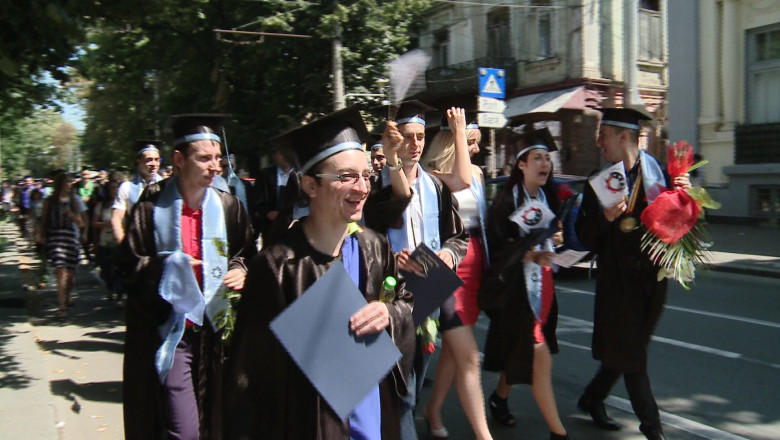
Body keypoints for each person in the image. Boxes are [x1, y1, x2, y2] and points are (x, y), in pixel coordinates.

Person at [224, 106, 416, 439]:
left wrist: (389, 313)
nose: (362, 187)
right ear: (310, 185)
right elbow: (249, 376)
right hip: (309, 420)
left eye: (366, 175)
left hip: (372, 412)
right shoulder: (278, 266)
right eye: (346, 176)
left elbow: (404, 300)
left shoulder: (375, 247)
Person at [119, 114, 254, 440]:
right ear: (179, 160)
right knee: (185, 432)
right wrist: (167, 267)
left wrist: (240, 269)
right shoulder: (151, 209)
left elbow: (246, 252)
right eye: (204, 158)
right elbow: (128, 267)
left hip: (218, 335)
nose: (215, 166)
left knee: (218, 425)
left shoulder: (229, 207)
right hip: (174, 334)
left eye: (217, 158)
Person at [575, 107, 690, 440]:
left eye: (604, 135)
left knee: (628, 350)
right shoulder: (599, 182)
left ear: (623, 136)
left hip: (653, 280)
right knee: (633, 356)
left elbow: (679, 224)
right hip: (617, 283)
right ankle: (653, 429)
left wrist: (684, 194)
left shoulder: (659, 175)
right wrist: (605, 218)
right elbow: (584, 236)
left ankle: (592, 398)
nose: (599, 143)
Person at [363, 100, 468, 440]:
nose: (415, 144)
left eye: (420, 136)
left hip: (429, 288)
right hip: (390, 294)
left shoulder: (436, 187)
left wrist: (447, 255)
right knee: (402, 388)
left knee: (416, 379)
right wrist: (391, 259)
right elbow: (367, 236)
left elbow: (457, 236)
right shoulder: (374, 187)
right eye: (407, 136)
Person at [479, 127, 569, 439]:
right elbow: (498, 249)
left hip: (544, 285)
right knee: (539, 356)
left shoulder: (547, 197)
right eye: (537, 158)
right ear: (521, 164)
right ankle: (558, 432)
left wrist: (554, 240)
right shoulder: (506, 201)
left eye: (547, 158)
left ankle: (499, 397)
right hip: (516, 292)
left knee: (522, 350)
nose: (545, 163)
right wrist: (528, 254)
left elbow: (550, 234)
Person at [416, 108, 492, 440]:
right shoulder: (433, 175)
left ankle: (432, 410)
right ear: (452, 141)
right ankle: (484, 435)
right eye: (470, 141)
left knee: (453, 350)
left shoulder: (477, 171)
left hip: (475, 265)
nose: (475, 148)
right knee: (469, 355)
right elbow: (461, 178)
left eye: (475, 142)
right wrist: (459, 130)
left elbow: (482, 222)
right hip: (448, 267)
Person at [38, 171, 87, 320]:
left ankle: (68, 295)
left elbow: (81, 223)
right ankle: (62, 307)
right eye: (67, 182)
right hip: (55, 236)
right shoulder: (49, 201)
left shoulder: (74, 200)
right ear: (60, 184)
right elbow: (43, 220)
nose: (70, 185)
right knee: (60, 269)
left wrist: (71, 215)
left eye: (71, 182)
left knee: (70, 275)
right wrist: (41, 235)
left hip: (70, 237)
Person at [111, 140, 163, 243]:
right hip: (136, 243)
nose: (154, 164)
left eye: (157, 160)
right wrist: (122, 243)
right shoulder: (126, 187)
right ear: (139, 162)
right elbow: (116, 218)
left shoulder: (166, 186)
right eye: (149, 160)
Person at [92, 170, 125, 306]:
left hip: (119, 241)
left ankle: (120, 295)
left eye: (116, 188)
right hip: (105, 242)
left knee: (120, 269)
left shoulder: (123, 205)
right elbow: (94, 223)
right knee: (107, 269)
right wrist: (105, 225)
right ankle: (110, 288)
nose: (114, 191)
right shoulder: (102, 206)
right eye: (112, 189)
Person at [253, 146, 296, 241]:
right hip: (271, 227)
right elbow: (257, 201)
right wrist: (267, 213)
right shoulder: (265, 175)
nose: (286, 156)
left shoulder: (301, 175)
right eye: (282, 153)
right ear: (275, 155)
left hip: (295, 226)